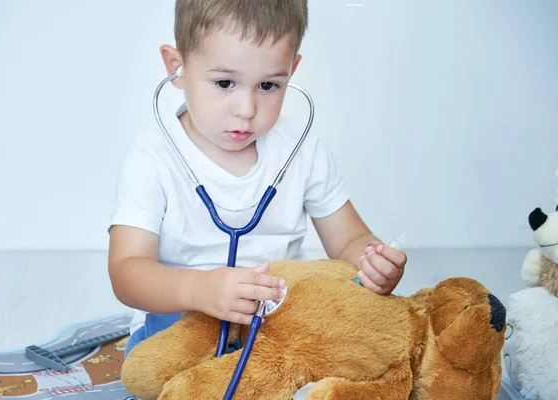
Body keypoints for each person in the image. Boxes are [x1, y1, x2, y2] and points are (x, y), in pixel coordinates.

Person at [107, 0, 408, 359]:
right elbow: (127, 271)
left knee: (369, 348)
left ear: (291, 69)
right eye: (224, 83)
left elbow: (348, 240)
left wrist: (372, 263)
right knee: (170, 373)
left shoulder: (301, 148)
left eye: (268, 85)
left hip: (279, 321)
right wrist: (199, 290)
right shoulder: (152, 156)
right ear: (177, 68)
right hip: (180, 323)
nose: (246, 109)